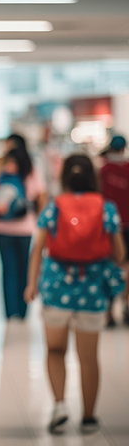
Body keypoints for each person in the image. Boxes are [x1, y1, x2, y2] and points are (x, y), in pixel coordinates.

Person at [24, 154, 125, 435]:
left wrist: (31, 284)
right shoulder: (106, 208)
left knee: (55, 350)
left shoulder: (54, 206)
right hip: (93, 291)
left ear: (65, 176)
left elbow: (38, 249)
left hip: (57, 287)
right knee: (88, 358)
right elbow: (118, 253)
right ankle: (89, 417)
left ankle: (59, 406)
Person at [0, 134, 47, 319]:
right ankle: (23, 311)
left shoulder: (1, 168)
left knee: (8, 270)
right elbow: (39, 195)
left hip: (3, 228)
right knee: (24, 269)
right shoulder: (30, 169)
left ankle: (10, 313)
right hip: (25, 228)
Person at [99, 134, 129, 326]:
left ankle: (109, 312)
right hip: (128, 225)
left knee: (109, 266)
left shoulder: (103, 170)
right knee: (127, 267)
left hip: (109, 225)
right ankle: (126, 304)